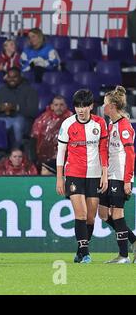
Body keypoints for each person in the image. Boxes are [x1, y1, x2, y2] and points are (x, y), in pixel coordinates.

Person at [56, 89, 108, 264]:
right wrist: (59, 178)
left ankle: (80, 251)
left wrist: (105, 174)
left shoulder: (100, 123)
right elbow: (61, 152)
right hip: (74, 174)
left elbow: (103, 150)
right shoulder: (67, 124)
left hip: (94, 175)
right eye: (78, 106)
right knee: (81, 214)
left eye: (84, 105)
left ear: (91, 106)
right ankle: (86, 253)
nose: (81, 109)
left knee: (91, 217)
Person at [98, 86, 136, 263]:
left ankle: (123, 256)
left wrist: (127, 180)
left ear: (112, 106)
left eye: (105, 104)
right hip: (110, 174)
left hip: (120, 175)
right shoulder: (111, 124)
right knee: (104, 214)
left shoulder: (124, 125)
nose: (102, 107)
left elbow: (130, 154)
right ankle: (134, 241)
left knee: (118, 213)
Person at [0, 67, 39, 147]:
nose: (11, 79)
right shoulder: (2, 90)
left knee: (17, 124)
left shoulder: (30, 90)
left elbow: (33, 112)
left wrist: (16, 107)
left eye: (15, 77)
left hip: (22, 119)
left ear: (20, 77)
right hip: (3, 118)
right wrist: (0, 108)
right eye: (9, 77)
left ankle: (16, 151)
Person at [31, 96, 72, 166]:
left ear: (66, 106)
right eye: (56, 105)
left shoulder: (71, 119)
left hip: (66, 158)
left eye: (61, 105)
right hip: (45, 158)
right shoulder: (43, 119)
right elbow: (34, 136)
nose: (59, 107)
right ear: (52, 106)